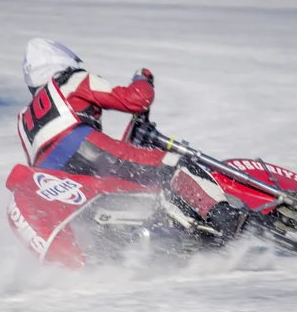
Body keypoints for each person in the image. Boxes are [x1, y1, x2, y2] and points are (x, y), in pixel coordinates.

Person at [17, 38, 246, 239]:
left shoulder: (24, 119)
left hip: (58, 180)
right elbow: (136, 100)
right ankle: (224, 217)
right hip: (87, 149)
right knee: (173, 165)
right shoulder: (71, 81)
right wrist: (142, 78)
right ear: (62, 63)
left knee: (142, 189)